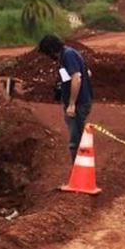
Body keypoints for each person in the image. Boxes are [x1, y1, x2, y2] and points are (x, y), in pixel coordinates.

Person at [38, 35, 93, 163]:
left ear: (51, 50)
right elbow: (88, 73)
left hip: (78, 104)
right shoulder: (68, 54)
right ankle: (81, 170)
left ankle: (79, 171)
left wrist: (72, 104)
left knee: (76, 140)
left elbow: (77, 78)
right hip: (80, 101)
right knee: (78, 137)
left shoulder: (68, 55)